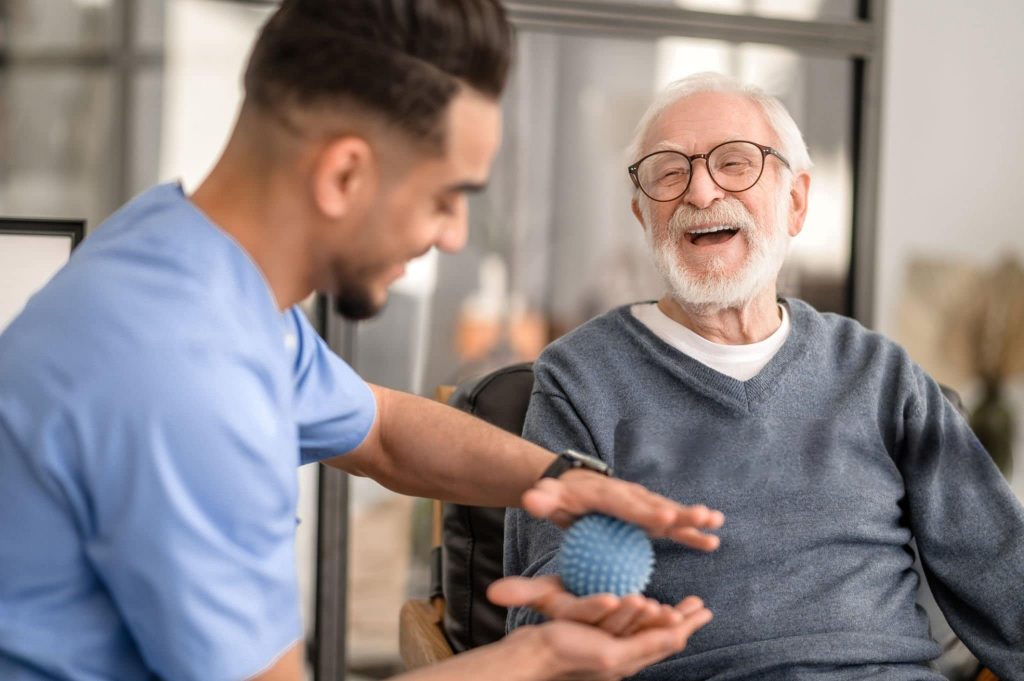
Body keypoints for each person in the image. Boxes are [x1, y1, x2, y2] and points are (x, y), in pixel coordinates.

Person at [0, 3, 728, 681]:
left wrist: (563, 480)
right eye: (446, 197)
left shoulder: (187, 264)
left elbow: (382, 431)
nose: (454, 236)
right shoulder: (186, 380)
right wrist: (538, 655)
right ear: (344, 173)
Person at [504, 72, 1024, 680]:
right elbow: (545, 614)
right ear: (642, 214)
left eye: (734, 163)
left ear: (796, 201)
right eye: (668, 172)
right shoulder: (580, 379)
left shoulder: (881, 375)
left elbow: (1002, 574)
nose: (700, 191)